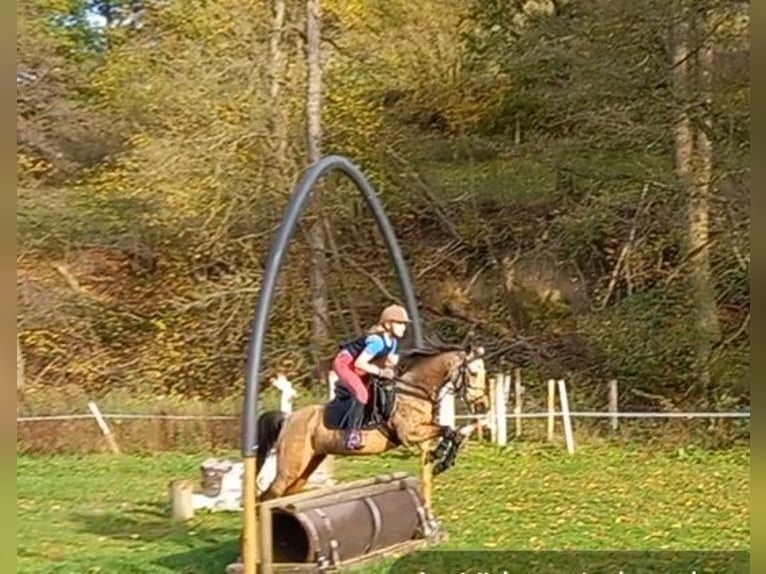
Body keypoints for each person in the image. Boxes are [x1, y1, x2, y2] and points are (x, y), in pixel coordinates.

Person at [331, 304, 411, 449]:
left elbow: (387, 363)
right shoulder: (377, 342)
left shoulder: (393, 342)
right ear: (387, 324)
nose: (403, 327)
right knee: (362, 394)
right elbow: (360, 363)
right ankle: (352, 435)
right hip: (344, 363)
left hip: (356, 365)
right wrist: (381, 372)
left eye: (404, 324)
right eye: (399, 323)